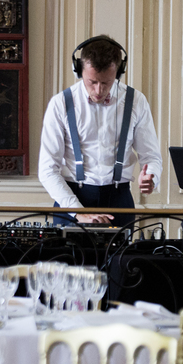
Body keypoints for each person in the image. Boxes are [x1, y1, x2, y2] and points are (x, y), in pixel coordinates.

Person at [38, 35, 163, 227]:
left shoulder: (136, 101)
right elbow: (47, 169)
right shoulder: (60, 104)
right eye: (92, 82)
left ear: (118, 73)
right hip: (72, 198)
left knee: (120, 258)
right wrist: (78, 212)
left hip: (119, 200)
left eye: (106, 83)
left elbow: (151, 156)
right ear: (79, 70)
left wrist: (151, 177)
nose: (98, 90)